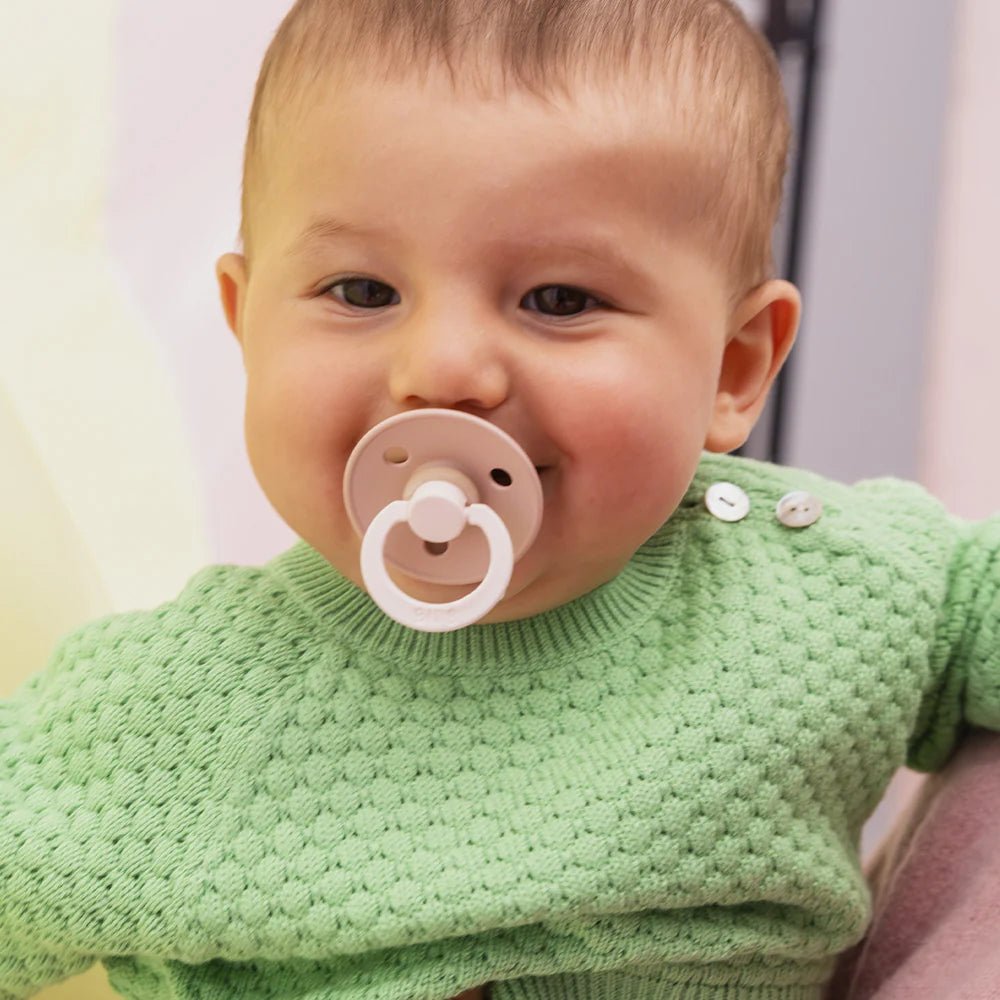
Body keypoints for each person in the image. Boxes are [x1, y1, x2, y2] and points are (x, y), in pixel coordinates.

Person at [1, 1, 997, 998]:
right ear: (247, 324)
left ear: (734, 368)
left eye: (558, 300)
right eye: (361, 291)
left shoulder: (833, 592)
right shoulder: (169, 713)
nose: (443, 369)